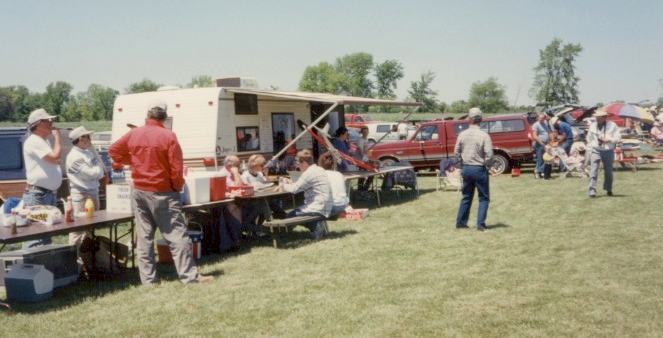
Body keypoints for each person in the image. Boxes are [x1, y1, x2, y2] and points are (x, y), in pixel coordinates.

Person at [109, 100, 211, 285]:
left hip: (139, 191)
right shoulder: (169, 136)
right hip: (163, 192)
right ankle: (189, 276)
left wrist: (133, 161)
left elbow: (113, 150)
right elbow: (176, 168)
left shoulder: (134, 133)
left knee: (144, 237)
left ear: (147, 115)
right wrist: (176, 187)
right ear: (164, 117)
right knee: (177, 235)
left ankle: (149, 281)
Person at [22, 108, 63, 248]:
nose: (52, 122)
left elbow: (54, 160)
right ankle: (30, 268)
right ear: (39, 124)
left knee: (45, 236)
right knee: (35, 237)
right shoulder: (34, 140)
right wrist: (58, 137)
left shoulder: (43, 141)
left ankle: (43, 267)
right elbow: (55, 157)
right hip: (38, 195)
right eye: (48, 120)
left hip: (46, 194)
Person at [65, 126, 106, 252]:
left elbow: (100, 171)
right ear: (80, 139)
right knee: (78, 228)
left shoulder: (88, 152)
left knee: (91, 226)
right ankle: (75, 258)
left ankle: (88, 258)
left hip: (93, 191)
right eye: (87, 137)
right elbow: (92, 173)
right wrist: (98, 170)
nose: (90, 139)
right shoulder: (74, 156)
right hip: (81, 195)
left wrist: (98, 171)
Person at [454, 107, 493, 231]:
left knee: (466, 196)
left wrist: (461, 165)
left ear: (469, 120)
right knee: (483, 197)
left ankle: (460, 223)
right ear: (480, 119)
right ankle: (480, 225)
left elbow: (456, 152)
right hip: (479, 168)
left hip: (466, 168)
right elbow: (489, 154)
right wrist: (487, 165)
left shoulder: (462, 134)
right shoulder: (484, 135)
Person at [280, 149, 333, 239]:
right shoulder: (318, 169)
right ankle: (317, 226)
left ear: (304, 163)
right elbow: (302, 184)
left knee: (290, 216)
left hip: (317, 207)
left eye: (298, 164)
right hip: (326, 206)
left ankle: (281, 235)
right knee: (298, 211)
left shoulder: (308, 173)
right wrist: (289, 182)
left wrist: (282, 185)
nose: (297, 167)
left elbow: (294, 189)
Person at [586, 109, 621, 198]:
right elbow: (589, 138)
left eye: (599, 117)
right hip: (596, 150)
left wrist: (609, 140)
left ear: (605, 117)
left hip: (608, 150)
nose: (597, 119)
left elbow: (618, 138)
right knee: (593, 171)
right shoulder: (592, 126)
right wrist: (591, 147)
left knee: (608, 172)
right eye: (596, 117)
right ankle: (592, 191)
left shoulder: (612, 125)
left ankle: (608, 189)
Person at [318, 152, 349, 217]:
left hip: (332, 207)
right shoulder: (339, 174)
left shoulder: (321, 175)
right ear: (333, 164)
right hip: (343, 205)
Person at [531, 113, 551, 179]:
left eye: (543, 118)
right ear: (538, 118)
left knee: (545, 159)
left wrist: (548, 143)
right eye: (540, 118)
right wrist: (542, 143)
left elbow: (547, 133)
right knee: (540, 159)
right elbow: (535, 136)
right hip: (539, 144)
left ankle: (540, 173)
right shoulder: (536, 125)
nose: (541, 119)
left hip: (546, 144)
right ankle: (537, 172)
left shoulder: (545, 124)